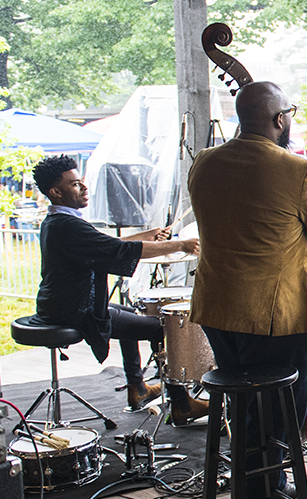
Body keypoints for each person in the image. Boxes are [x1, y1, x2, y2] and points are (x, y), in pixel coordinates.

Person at [188, 81, 307, 499]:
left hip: (219, 311)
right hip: (275, 317)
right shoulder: (297, 171)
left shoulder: (203, 163)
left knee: (244, 410)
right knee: (278, 415)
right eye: (290, 113)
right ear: (279, 119)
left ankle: (259, 486)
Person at [31, 155, 205, 424]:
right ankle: (182, 404)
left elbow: (107, 244)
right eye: (76, 184)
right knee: (163, 329)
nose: (85, 188)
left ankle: (137, 387)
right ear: (55, 192)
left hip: (60, 305)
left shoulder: (58, 221)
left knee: (130, 312)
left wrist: (146, 236)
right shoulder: (67, 226)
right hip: (74, 311)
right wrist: (180, 245)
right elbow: (118, 250)